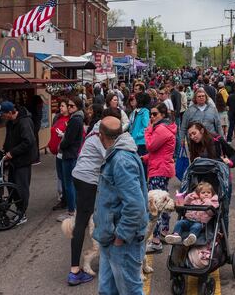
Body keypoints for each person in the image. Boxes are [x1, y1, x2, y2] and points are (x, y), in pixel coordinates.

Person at [92, 116, 148, 295]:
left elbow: (135, 206)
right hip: (109, 237)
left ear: (101, 136)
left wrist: (120, 238)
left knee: (129, 291)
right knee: (107, 290)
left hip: (122, 242)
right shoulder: (116, 154)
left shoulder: (122, 160)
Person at [67, 107, 123, 286]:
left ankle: (84, 261)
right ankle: (75, 270)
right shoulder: (101, 134)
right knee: (83, 221)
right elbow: (110, 155)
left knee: (84, 219)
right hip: (87, 180)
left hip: (81, 177)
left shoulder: (98, 128)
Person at [143, 103, 177, 254]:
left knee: (155, 206)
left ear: (163, 115)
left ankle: (156, 241)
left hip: (159, 169)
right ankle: (164, 232)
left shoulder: (161, 129)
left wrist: (148, 129)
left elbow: (150, 145)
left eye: (155, 114)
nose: (152, 117)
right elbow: (158, 150)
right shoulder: (165, 128)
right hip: (161, 167)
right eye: (151, 114)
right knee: (163, 202)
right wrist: (145, 158)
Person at [0, 101, 36, 224]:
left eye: (3, 114)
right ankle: (18, 209)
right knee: (12, 186)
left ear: (10, 112)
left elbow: (28, 141)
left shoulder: (24, 122)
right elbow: (9, 138)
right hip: (14, 161)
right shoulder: (10, 123)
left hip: (23, 160)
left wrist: (12, 152)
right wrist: (5, 148)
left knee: (22, 187)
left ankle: (22, 213)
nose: (2, 116)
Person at [165, 182, 219, 246]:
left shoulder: (213, 202)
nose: (206, 194)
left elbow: (211, 213)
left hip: (200, 222)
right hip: (188, 220)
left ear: (212, 194)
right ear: (198, 194)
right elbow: (185, 203)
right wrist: (189, 197)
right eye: (203, 193)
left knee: (196, 227)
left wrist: (207, 202)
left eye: (208, 192)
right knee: (179, 223)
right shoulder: (194, 200)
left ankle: (191, 238)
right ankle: (176, 235)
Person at [58, 96, 85, 222]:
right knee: (70, 183)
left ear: (77, 107)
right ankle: (73, 210)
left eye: (72, 106)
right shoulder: (76, 119)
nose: (69, 108)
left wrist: (61, 145)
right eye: (68, 105)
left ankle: (71, 211)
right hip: (72, 153)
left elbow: (68, 139)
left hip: (69, 154)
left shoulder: (75, 120)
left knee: (68, 184)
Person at [49, 100, 70, 211]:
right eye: (60, 106)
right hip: (58, 154)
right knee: (61, 177)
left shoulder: (70, 120)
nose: (60, 108)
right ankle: (64, 199)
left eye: (63, 105)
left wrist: (63, 135)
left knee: (66, 179)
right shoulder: (58, 117)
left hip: (64, 153)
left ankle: (67, 201)